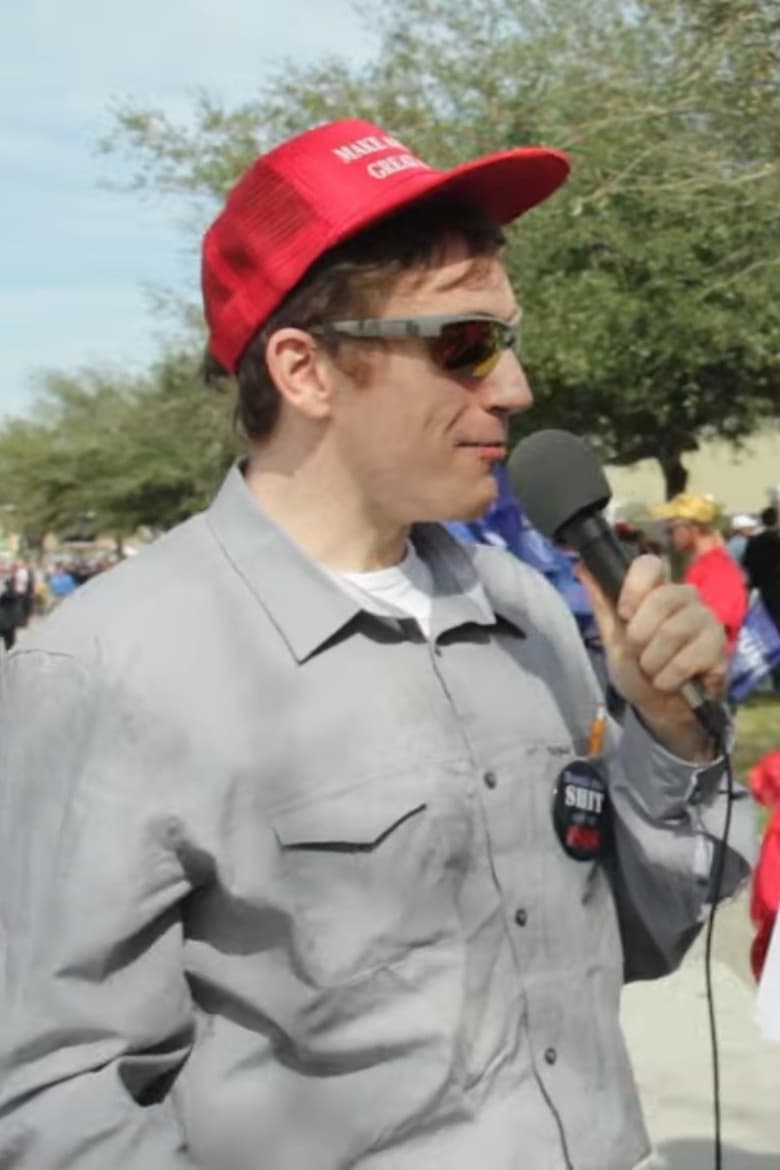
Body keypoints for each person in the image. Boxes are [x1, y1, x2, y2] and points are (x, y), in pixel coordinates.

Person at [0, 118, 750, 1170]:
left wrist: (667, 742)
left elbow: (629, 940)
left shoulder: (526, 610)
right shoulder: (111, 669)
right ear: (305, 370)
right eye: (467, 343)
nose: (517, 387)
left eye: (512, 338)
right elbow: (57, 1099)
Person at [652, 491, 748, 656]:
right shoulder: (705, 565)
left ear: (692, 527)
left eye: (671, 529)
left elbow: (717, 626)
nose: (669, 536)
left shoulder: (717, 568)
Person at [742, 505, 780, 691]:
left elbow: (749, 571)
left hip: (767, 594)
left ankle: (776, 680)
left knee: (772, 636)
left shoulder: (755, 542)